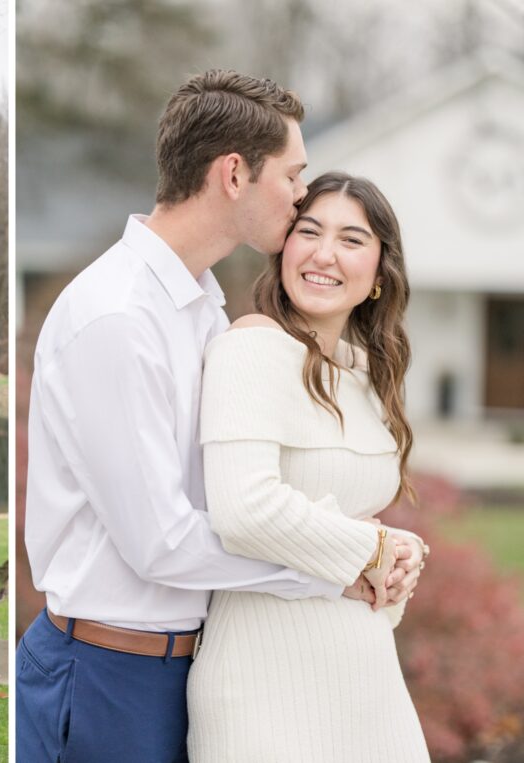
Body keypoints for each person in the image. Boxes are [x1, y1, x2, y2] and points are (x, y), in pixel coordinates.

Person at [17, 70, 426, 762]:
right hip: (105, 670)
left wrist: (363, 549)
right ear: (234, 173)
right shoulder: (119, 317)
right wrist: (338, 564)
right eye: (293, 176)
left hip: (181, 663)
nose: (301, 193)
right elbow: (162, 541)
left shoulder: (203, 307)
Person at [187, 172, 428, 760]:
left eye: (351, 240)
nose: (324, 254)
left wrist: (402, 550)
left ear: (379, 273)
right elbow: (245, 510)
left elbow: (350, 511)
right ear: (284, 248)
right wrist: (373, 549)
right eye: (309, 231)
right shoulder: (251, 348)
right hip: (263, 683)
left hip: (367, 677)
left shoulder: (370, 375)